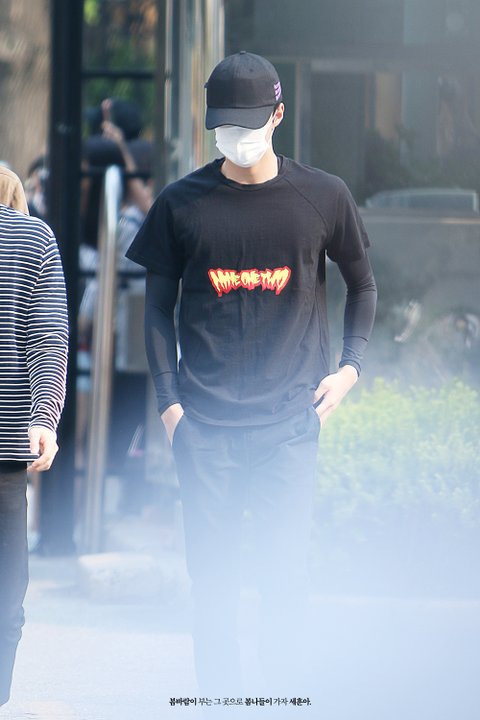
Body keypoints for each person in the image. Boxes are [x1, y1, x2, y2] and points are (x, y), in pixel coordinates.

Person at [126, 51, 377, 704]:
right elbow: (155, 311)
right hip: (204, 427)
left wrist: (350, 368)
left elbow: (363, 284)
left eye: (249, 122)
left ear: (278, 115)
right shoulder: (180, 204)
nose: (237, 136)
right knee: (211, 587)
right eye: (226, 125)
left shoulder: (322, 196)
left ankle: (280, 705)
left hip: (288, 426)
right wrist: (171, 407)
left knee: (283, 583)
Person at [0, 167, 68, 706]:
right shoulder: (31, 236)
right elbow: (46, 338)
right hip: (5, 443)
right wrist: (43, 417)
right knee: (6, 589)